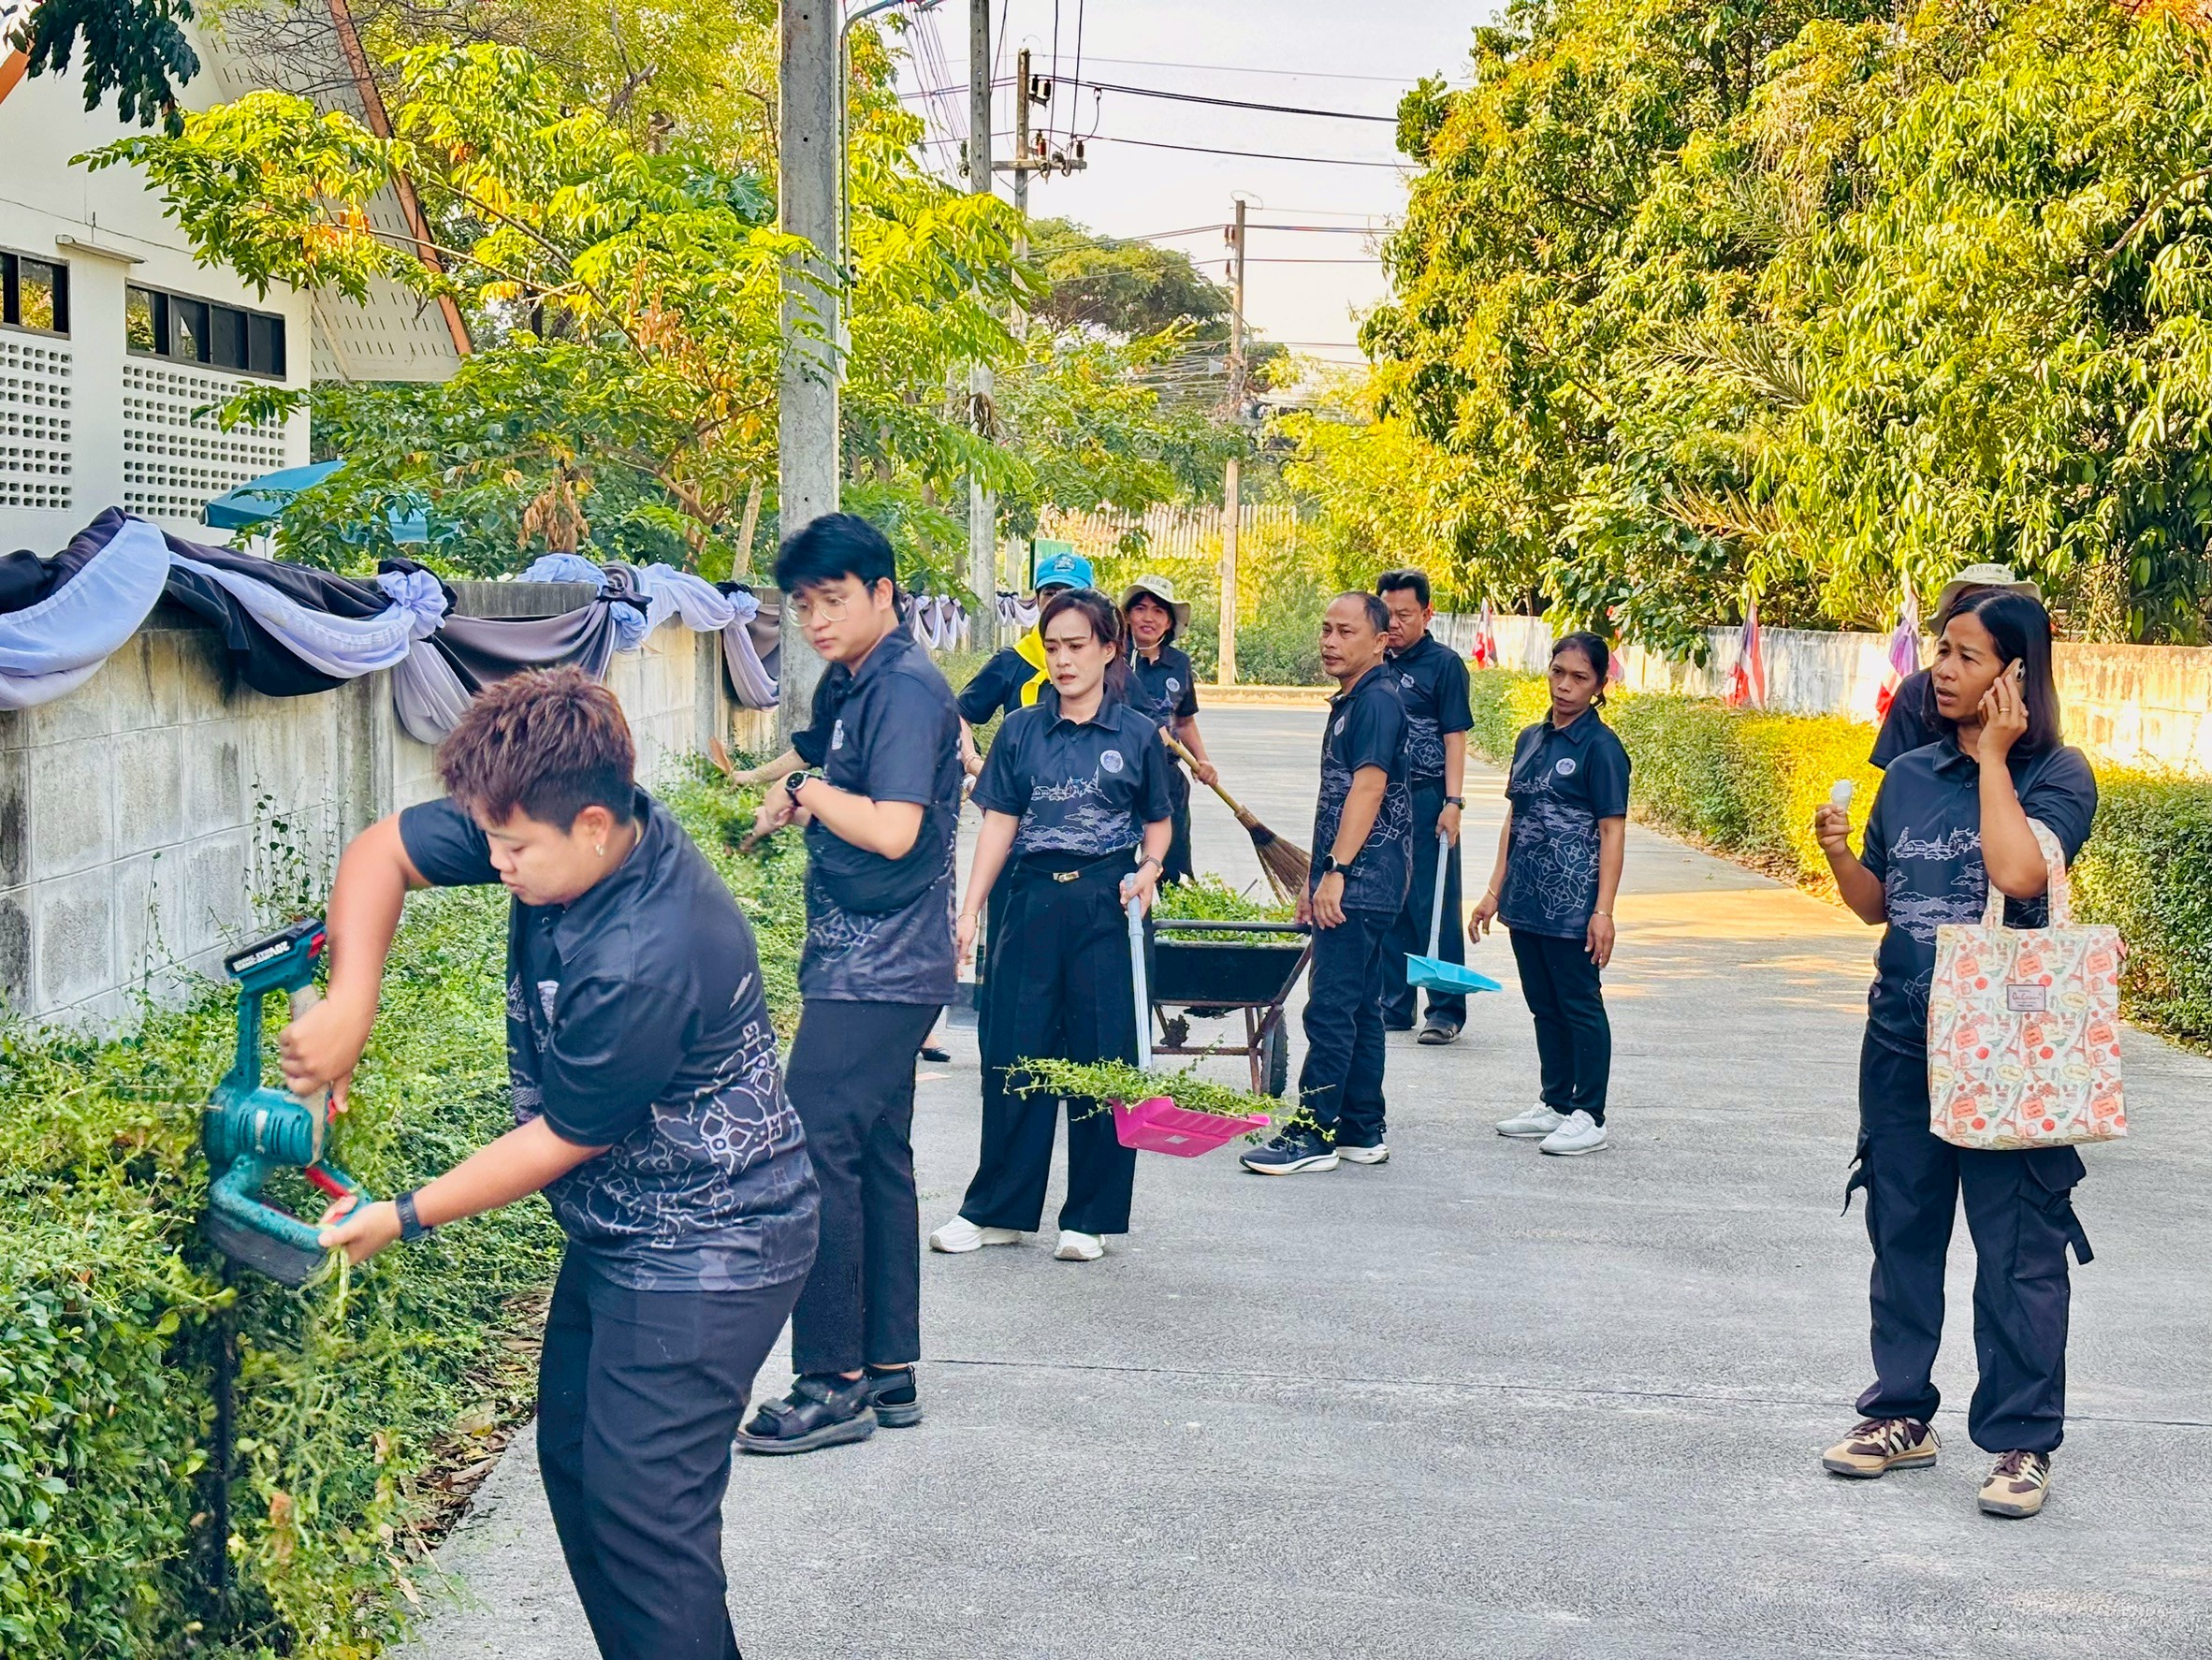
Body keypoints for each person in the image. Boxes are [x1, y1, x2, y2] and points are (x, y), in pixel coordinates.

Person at [289, 668, 818, 1660]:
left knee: (646, 1525)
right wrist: (349, 1003)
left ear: (590, 823)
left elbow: (561, 1140)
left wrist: (400, 1215)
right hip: (628, 1227)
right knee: (577, 1465)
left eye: (513, 847)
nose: (496, 863)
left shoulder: (647, 949)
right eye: (488, 839)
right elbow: (382, 853)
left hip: (713, 1243)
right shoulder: (546, 825)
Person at [1812, 590, 2099, 1520]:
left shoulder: (2059, 775)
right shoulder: (1905, 776)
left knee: (2018, 1247)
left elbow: (2020, 874)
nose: (1942, 669)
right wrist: (1837, 860)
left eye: (1968, 656)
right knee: (1901, 1228)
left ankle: (2021, 1440)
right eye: (1943, 650)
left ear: (2016, 677)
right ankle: (1900, 1411)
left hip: (2005, 1040)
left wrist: (1991, 759)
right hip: (1901, 1029)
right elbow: (1878, 905)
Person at [734, 515, 961, 1457]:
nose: (818, 619)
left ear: (883, 591)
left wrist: (805, 796)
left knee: (809, 1151)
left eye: (834, 600)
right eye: (805, 604)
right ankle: (888, 1365)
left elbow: (898, 829)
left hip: (881, 969)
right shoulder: (858, 682)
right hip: (871, 961)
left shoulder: (905, 689)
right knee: (872, 1155)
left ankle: (832, 1382)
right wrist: (791, 787)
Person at [931, 587, 1174, 1261]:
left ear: (1108, 649)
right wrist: (972, 906)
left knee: (1101, 1058)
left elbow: (1158, 818)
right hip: (1029, 898)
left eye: (1077, 646)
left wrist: (1150, 867)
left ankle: (1089, 1219)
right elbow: (999, 822)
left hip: (1106, 900)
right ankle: (999, 1210)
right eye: (1053, 647)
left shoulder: (1135, 733)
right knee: (1015, 1051)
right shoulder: (1020, 731)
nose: (1063, 661)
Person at [1242, 592, 1413, 1174]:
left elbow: (1368, 790)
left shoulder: (1377, 703)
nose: (1329, 642)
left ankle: (1311, 1134)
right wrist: (1315, 878)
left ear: (1380, 640)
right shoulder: (1355, 700)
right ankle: (1362, 1130)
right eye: (1325, 630)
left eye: (1345, 632)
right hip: (1359, 878)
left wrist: (1335, 874)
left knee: (1331, 1008)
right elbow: (1339, 799)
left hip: (1362, 880)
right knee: (1362, 1006)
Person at [1470, 633, 1629, 1158]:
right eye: (1558, 672)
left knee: (1579, 1004)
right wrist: (1495, 889)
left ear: (1600, 685)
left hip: (1575, 904)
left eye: (1580, 677)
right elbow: (1516, 818)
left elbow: (1612, 832)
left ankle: (1590, 1113)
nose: (1565, 686)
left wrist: (1603, 911)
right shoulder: (1530, 739)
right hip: (1526, 899)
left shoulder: (1602, 750)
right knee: (1544, 1005)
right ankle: (1556, 1102)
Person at [1375, 569, 1476, 1044]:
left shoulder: (1444, 665)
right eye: (1387, 613)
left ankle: (1445, 1009)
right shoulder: (1373, 661)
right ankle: (1395, 1005)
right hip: (1380, 800)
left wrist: (1453, 802)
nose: (1394, 623)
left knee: (1432, 903)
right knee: (1388, 900)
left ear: (1427, 613)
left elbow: (1455, 738)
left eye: (1405, 614)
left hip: (1428, 796)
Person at [1871, 564, 2043, 769]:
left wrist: (1992, 754)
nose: (1944, 673)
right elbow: (1898, 781)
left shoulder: (2062, 771)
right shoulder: (1916, 688)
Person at [955, 547, 1097, 767]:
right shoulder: (1013, 660)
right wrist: (974, 764)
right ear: (1037, 599)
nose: (1058, 602)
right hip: (1019, 794)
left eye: (1070, 593)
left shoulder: (1105, 660)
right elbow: (959, 714)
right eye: (1050, 593)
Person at [1121, 574, 1218, 885]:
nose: (1148, 617)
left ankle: (1173, 918)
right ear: (1127, 616)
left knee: (1172, 863)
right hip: (1121, 774)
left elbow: (1184, 719)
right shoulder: (1112, 656)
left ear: (1169, 623)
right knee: (1120, 858)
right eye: (1140, 609)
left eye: (1158, 611)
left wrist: (1202, 761)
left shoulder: (1179, 664)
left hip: (1166, 776)